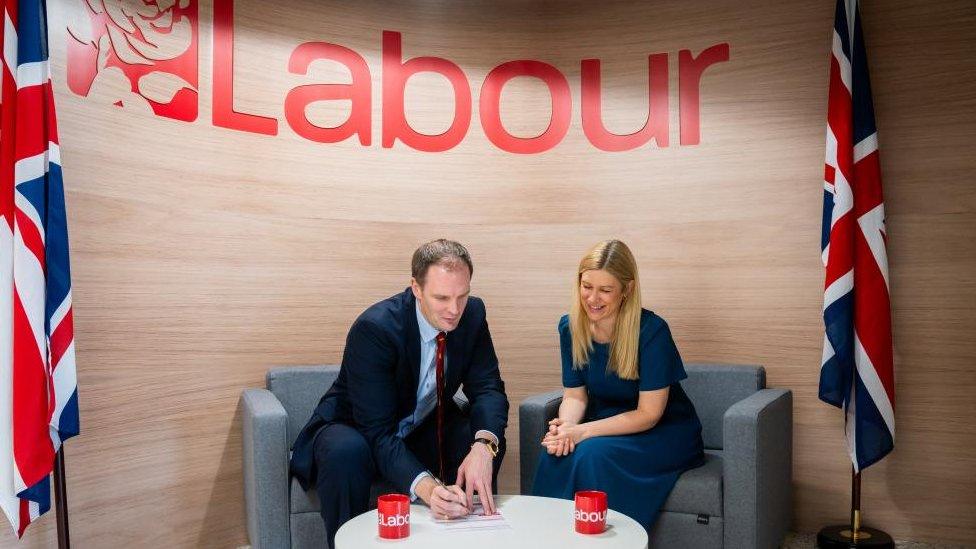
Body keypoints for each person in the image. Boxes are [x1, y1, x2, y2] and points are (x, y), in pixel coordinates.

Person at [290, 239, 509, 548]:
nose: (454, 310)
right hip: (356, 427)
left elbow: (487, 387)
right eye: (442, 297)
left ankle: (465, 534)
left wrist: (484, 446)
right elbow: (377, 431)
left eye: (463, 295)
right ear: (416, 289)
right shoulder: (375, 329)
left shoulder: (472, 314)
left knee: (479, 434)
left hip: (420, 426)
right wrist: (430, 490)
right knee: (346, 452)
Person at [531, 239, 704, 532]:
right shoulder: (569, 327)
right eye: (587, 286)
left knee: (590, 453)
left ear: (627, 289)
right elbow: (575, 396)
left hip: (663, 430)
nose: (593, 299)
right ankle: (546, 536)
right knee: (557, 452)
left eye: (605, 290)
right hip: (605, 423)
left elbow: (648, 414)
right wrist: (565, 428)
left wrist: (582, 431)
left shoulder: (652, 331)